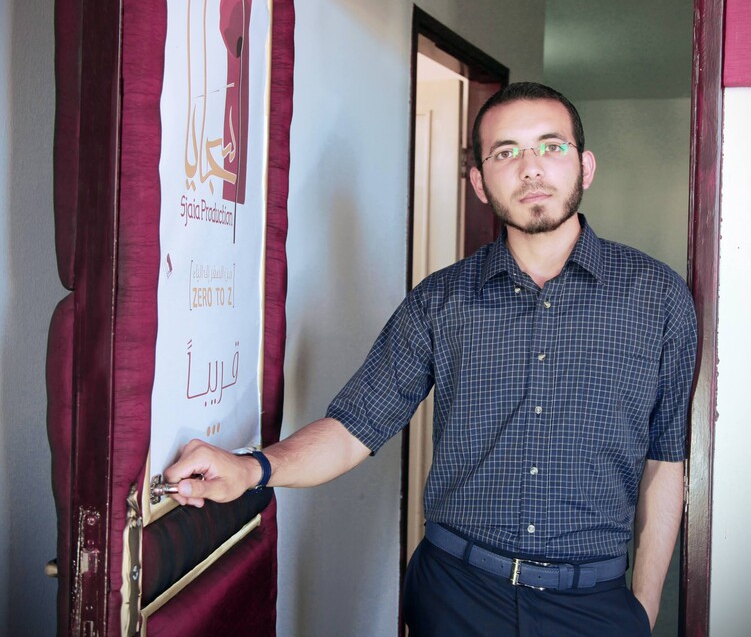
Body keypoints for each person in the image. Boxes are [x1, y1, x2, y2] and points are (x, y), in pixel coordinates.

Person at [165, 82, 697, 637]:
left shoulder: (658, 298)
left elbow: (666, 460)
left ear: (585, 166)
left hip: (595, 606)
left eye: (551, 146)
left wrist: (644, 606)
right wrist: (252, 468)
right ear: (478, 182)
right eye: (506, 152)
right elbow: (353, 428)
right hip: (456, 597)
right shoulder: (440, 301)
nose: (531, 168)